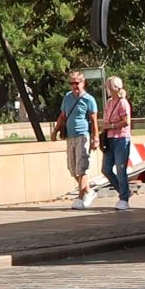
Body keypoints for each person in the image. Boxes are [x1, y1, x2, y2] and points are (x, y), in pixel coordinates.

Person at [53, 71, 99, 207]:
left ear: (83, 83)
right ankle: (89, 191)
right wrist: (56, 130)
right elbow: (63, 115)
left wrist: (95, 138)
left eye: (76, 83)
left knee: (81, 167)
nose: (74, 86)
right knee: (72, 168)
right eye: (71, 83)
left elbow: (94, 120)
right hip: (70, 136)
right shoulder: (67, 97)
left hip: (83, 135)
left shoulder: (89, 99)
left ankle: (80, 197)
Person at [100, 75, 134, 210]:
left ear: (113, 88)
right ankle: (124, 191)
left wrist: (111, 126)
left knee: (121, 169)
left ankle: (124, 198)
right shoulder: (109, 102)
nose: (107, 89)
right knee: (106, 169)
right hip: (110, 138)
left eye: (108, 86)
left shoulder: (123, 102)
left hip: (121, 138)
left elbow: (126, 121)